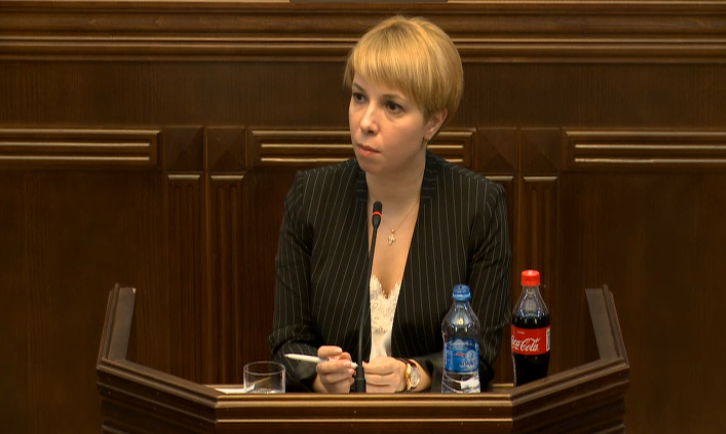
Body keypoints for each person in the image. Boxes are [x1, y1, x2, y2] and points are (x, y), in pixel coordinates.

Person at [268, 15, 510, 393]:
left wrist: (413, 374)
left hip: (430, 417)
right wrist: (319, 377)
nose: (366, 122)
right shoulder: (310, 197)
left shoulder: (478, 206)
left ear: (432, 122)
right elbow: (287, 344)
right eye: (359, 97)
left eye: (392, 106)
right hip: (334, 417)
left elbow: (481, 352)